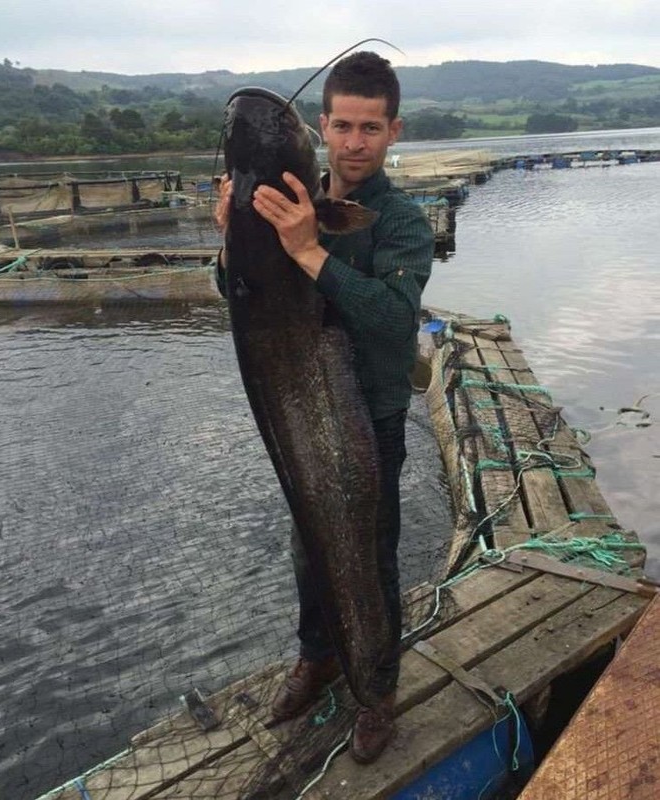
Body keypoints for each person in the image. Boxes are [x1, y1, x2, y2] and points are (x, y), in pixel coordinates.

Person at [215, 51, 434, 764]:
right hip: (301, 406)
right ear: (322, 127)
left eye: (370, 128)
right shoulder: (286, 195)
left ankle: (375, 690)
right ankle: (318, 660)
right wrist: (231, 243)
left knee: (369, 556)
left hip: (369, 416)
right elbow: (242, 296)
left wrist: (309, 251)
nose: (354, 142)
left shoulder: (401, 221)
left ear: (392, 131)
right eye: (342, 125)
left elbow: (393, 322)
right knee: (309, 547)